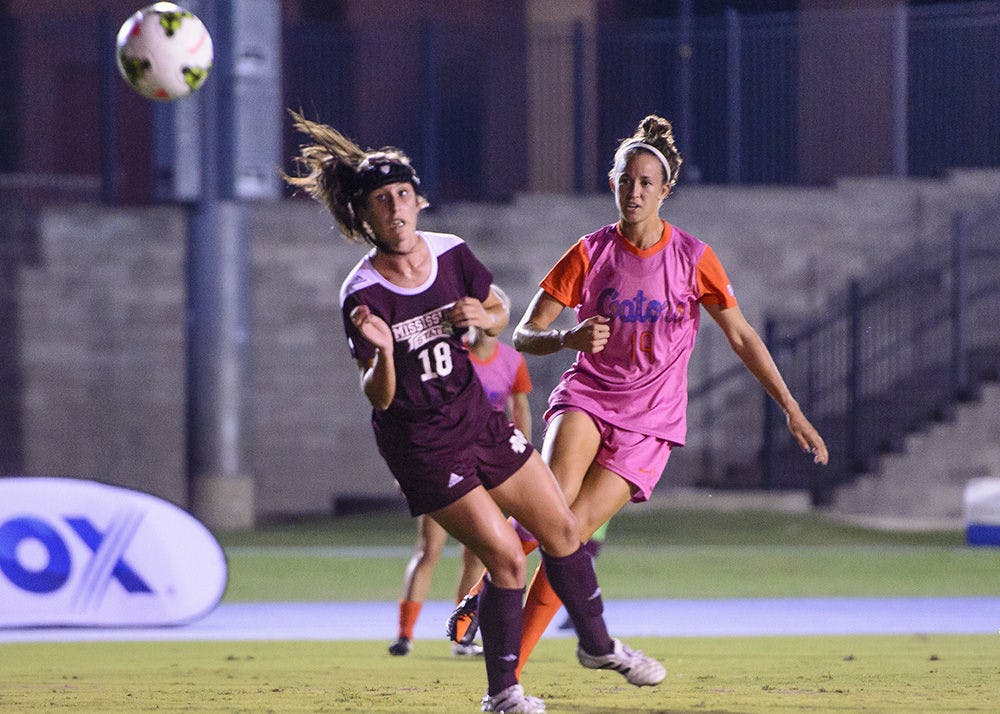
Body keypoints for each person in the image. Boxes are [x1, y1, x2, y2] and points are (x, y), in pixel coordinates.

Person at [284, 111, 665, 714]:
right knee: (507, 559)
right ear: (364, 216)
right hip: (424, 446)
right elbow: (379, 397)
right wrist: (383, 355)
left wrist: (484, 316)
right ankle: (503, 694)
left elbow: (500, 306)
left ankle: (598, 646)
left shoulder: (451, 252)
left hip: (479, 420)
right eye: (382, 200)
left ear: (418, 201)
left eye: (403, 195)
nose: (396, 208)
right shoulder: (363, 293)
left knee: (564, 530)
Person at [449, 114, 829, 680]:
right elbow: (524, 333)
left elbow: (742, 336)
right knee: (552, 509)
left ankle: (512, 671)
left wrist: (791, 409)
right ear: (613, 183)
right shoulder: (590, 252)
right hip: (588, 397)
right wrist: (568, 338)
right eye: (626, 181)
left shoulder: (694, 258)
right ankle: (489, 603)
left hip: (651, 421)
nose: (634, 192)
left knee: (572, 536)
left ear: (665, 190)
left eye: (646, 183)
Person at [389, 287, 533, 658]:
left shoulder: (512, 361)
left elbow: (519, 412)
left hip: (487, 465)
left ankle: (461, 638)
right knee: (429, 549)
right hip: (445, 461)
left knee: (478, 554)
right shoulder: (451, 357)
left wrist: (520, 463)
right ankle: (404, 635)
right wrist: (409, 466)